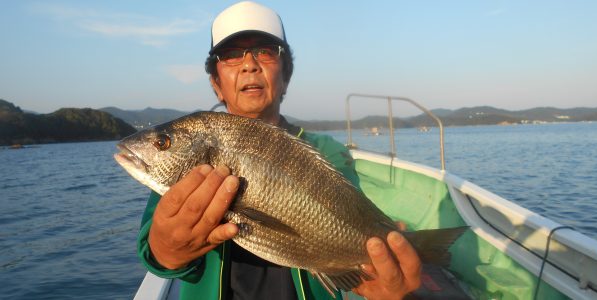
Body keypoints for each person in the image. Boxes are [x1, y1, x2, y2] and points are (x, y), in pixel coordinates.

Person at [137, 2, 422, 299]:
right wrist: (165, 249)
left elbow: (352, 214)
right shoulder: (191, 158)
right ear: (216, 84)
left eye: (266, 51)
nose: (249, 64)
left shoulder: (327, 151)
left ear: (285, 77)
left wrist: (376, 278)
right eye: (232, 54)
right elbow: (151, 248)